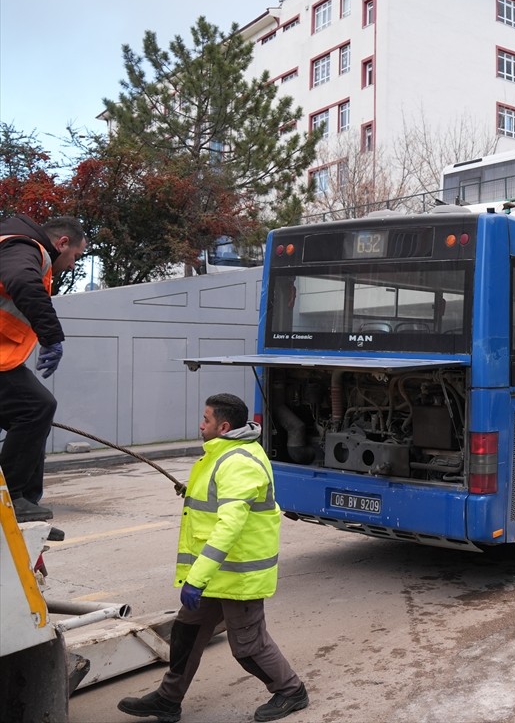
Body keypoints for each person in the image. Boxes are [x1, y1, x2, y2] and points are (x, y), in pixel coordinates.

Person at [117, 393, 309, 723]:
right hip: (218, 573)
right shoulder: (222, 454)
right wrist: (190, 491)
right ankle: (168, 699)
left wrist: (196, 578)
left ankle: (291, 691)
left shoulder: (238, 461)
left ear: (223, 426)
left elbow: (229, 524)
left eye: (205, 419)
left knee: (248, 645)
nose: (200, 424)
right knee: (186, 633)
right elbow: (216, 497)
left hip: (237, 574)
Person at [0, 214, 87, 523]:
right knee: (37, 407)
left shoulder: (13, 245)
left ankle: (27, 503)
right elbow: (22, 282)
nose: (75, 264)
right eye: (76, 255)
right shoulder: (24, 248)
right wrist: (52, 337)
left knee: (31, 416)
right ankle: (12, 499)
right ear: (62, 243)